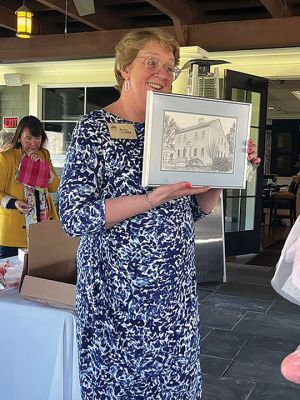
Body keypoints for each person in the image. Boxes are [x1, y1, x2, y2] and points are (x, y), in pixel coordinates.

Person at [59, 28, 260, 400]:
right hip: (117, 292)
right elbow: (75, 216)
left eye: (170, 67)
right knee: (119, 384)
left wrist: (223, 172)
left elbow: (197, 210)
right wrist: (154, 197)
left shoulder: (175, 130)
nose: (163, 75)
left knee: (173, 384)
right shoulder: (93, 129)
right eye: (151, 63)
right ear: (124, 69)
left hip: (173, 288)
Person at [0, 116, 59, 259]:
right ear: (19, 137)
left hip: (42, 226)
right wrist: (14, 203)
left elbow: (54, 186)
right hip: (13, 232)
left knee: (39, 274)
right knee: (11, 275)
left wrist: (43, 168)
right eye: (28, 138)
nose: (33, 143)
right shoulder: (6, 158)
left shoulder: (44, 154)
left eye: (37, 138)